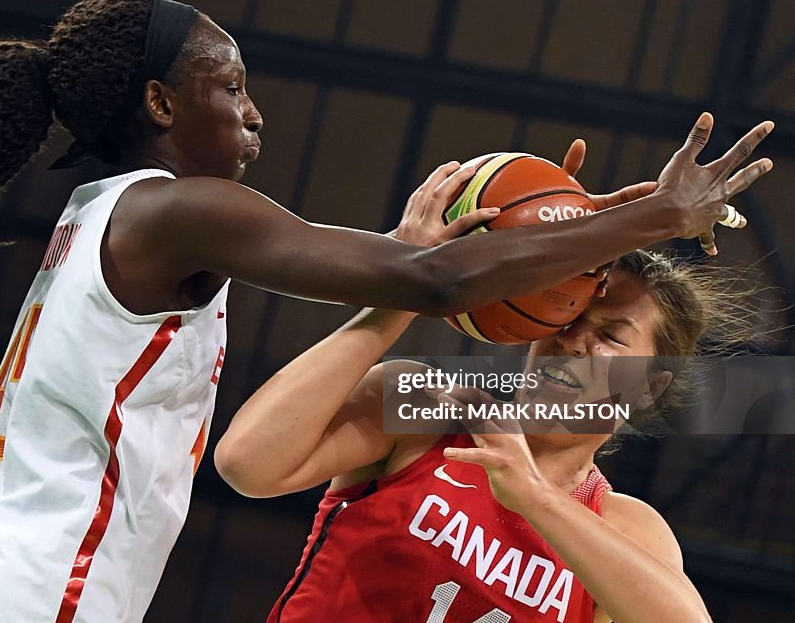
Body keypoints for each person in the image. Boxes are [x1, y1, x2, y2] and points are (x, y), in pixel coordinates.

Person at [0, 0, 771, 621]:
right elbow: (415, 294)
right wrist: (634, 224)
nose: (253, 110)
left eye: (613, 331)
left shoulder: (112, 214)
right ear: (161, 103)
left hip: (10, 580)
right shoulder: (185, 219)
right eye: (230, 85)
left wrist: (584, 234)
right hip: (39, 590)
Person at [215, 164, 753, 622]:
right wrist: (410, 282)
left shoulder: (624, 525)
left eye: (611, 337)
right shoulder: (428, 406)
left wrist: (536, 497)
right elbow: (247, 463)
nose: (574, 343)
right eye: (568, 315)